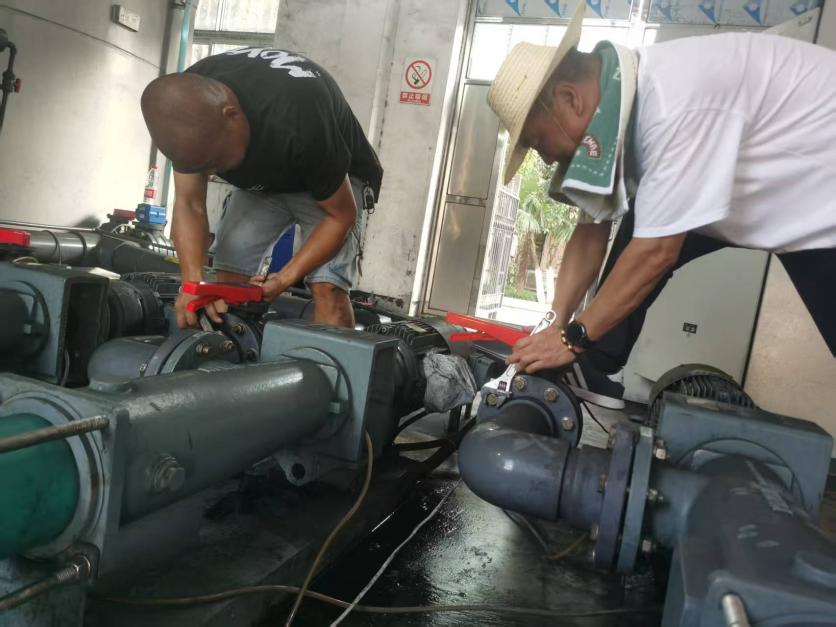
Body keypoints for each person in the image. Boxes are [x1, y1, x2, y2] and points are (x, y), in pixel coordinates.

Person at [486, 4, 836, 404]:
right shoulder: (620, 111)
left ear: (570, 99)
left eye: (538, 142)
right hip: (793, 204)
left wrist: (572, 338)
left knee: (650, 236)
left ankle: (587, 355)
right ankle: (591, 367)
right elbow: (590, 229)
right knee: (646, 221)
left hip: (824, 200)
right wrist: (555, 322)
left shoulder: (671, 103)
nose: (546, 159)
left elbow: (657, 252)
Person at [141, 48, 383, 329]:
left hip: (334, 185)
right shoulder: (185, 107)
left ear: (231, 115)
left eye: (215, 162)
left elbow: (340, 217)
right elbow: (189, 203)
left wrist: (284, 279)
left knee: (327, 286)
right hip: (265, 182)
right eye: (202, 167)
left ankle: (333, 357)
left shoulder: (299, 113)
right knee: (227, 282)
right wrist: (192, 284)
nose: (212, 173)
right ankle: (235, 350)